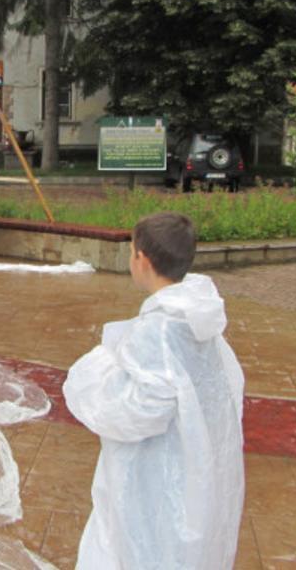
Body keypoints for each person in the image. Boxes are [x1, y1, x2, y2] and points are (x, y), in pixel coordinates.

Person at [62, 212, 245, 570]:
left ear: (141, 259)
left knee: (141, 546)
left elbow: (145, 409)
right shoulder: (196, 318)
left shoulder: (160, 329)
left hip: (158, 472)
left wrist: (93, 380)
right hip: (190, 464)